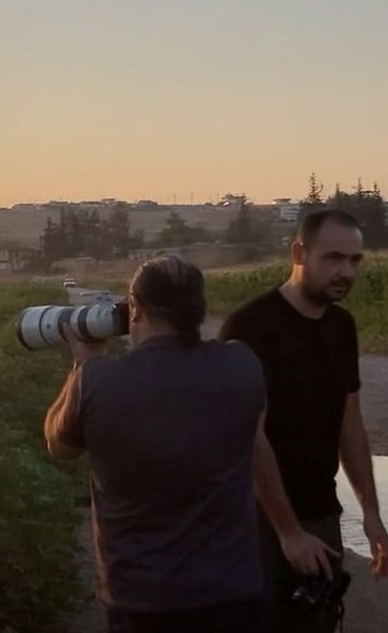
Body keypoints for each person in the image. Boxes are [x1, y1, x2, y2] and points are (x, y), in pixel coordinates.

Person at [45, 255, 267, 633]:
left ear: (136, 309)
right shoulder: (243, 365)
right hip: (231, 590)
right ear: (201, 309)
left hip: (140, 596)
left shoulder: (98, 380)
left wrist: (82, 365)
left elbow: (58, 445)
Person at [219, 207, 387, 632]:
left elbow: (349, 423)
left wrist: (370, 512)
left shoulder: (341, 327)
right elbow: (246, 438)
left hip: (322, 514)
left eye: (354, 260)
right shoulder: (250, 327)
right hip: (258, 524)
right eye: (333, 258)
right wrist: (288, 531)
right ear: (299, 252)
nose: (346, 271)